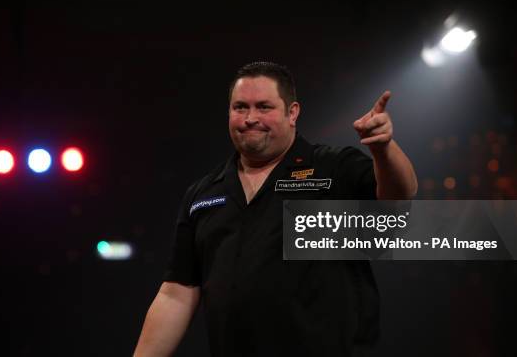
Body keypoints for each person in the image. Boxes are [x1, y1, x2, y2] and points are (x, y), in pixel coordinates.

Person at [134, 62, 418, 357]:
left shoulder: (332, 168)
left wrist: (383, 149)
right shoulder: (204, 193)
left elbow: (399, 195)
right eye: (240, 107)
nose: (250, 118)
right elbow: (176, 293)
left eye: (264, 107)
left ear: (292, 112)